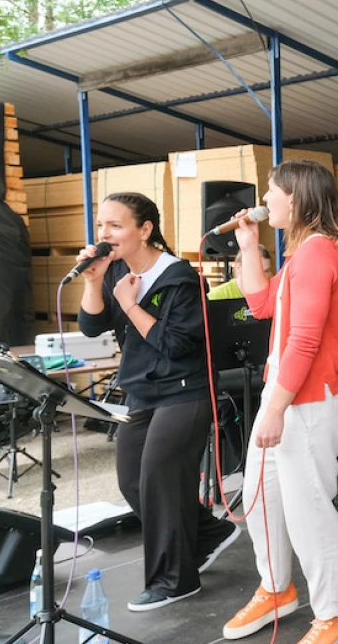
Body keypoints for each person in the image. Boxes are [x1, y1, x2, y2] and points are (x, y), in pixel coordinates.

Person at [221, 160, 338, 644]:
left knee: (308, 512)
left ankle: (333, 615)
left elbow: (305, 339)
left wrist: (274, 408)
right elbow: (260, 305)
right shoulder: (301, 253)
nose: (265, 199)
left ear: (295, 199)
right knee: (261, 499)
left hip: (307, 403)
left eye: (271, 192)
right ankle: (276, 588)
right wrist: (250, 246)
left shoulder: (318, 252)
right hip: (287, 397)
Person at [76, 192, 239, 612]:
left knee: (160, 477)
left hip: (185, 390)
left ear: (144, 229)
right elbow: (92, 326)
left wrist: (130, 305)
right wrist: (95, 280)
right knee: (133, 481)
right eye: (100, 226)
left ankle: (174, 581)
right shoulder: (115, 274)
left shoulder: (180, 278)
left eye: (115, 226)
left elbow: (176, 344)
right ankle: (207, 533)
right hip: (142, 392)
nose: (104, 234)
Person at [207, 244, 273, 301]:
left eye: (266, 271)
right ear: (239, 268)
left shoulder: (274, 294)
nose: (262, 276)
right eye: (255, 270)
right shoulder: (215, 297)